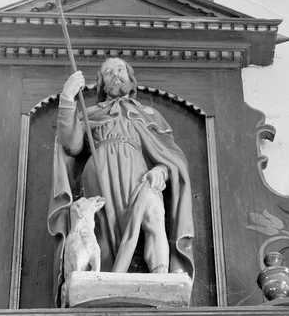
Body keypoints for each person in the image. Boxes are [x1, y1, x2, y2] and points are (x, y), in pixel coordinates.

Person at [48, 58, 194, 291]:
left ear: (130, 77)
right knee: (103, 231)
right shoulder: (90, 112)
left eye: (119, 69)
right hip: (100, 176)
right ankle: (105, 280)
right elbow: (72, 145)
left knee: (153, 216)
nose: (115, 74)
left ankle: (160, 278)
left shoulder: (149, 114)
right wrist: (67, 98)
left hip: (139, 175)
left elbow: (171, 155)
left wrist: (162, 170)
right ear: (102, 84)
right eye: (108, 72)